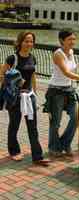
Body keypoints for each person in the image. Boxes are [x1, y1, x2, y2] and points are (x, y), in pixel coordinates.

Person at [0, 31, 49, 166]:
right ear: (20, 42)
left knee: (33, 126)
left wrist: (35, 92)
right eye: (26, 41)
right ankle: (14, 151)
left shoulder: (32, 58)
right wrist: (14, 82)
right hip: (15, 97)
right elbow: (1, 74)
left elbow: (32, 75)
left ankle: (37, 156)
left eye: (31, 41)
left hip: (29, 96)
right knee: (14, 125)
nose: (29, 44)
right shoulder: (12, 58)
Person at [44, 29, 79, 158]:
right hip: (56, 90)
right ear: (62, 41)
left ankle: (65, 143)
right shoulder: (58, 54)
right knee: (56, 121)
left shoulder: (71, 52)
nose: (73, 42)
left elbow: (70, 73)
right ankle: (54, 147)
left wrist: (78, 80)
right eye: (70, 39)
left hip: (69, 89)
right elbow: (66, 72)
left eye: (74, 39)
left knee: (76, 117)